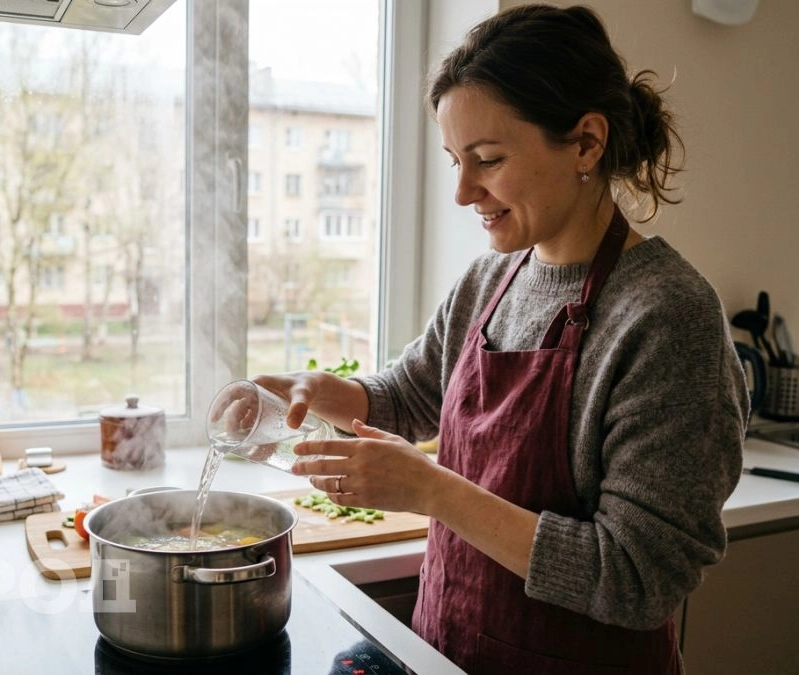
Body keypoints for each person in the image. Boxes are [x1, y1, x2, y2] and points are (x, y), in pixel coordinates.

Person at [255, 4, 748, 674]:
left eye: (486, 159)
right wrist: (316, 391)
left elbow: (638, 577)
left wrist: (433, 490)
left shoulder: (668, 316)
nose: (463, 192)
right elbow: (411, 393)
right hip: (447, 651)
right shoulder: (492, 278)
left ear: (586, 143)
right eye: (456, 160)